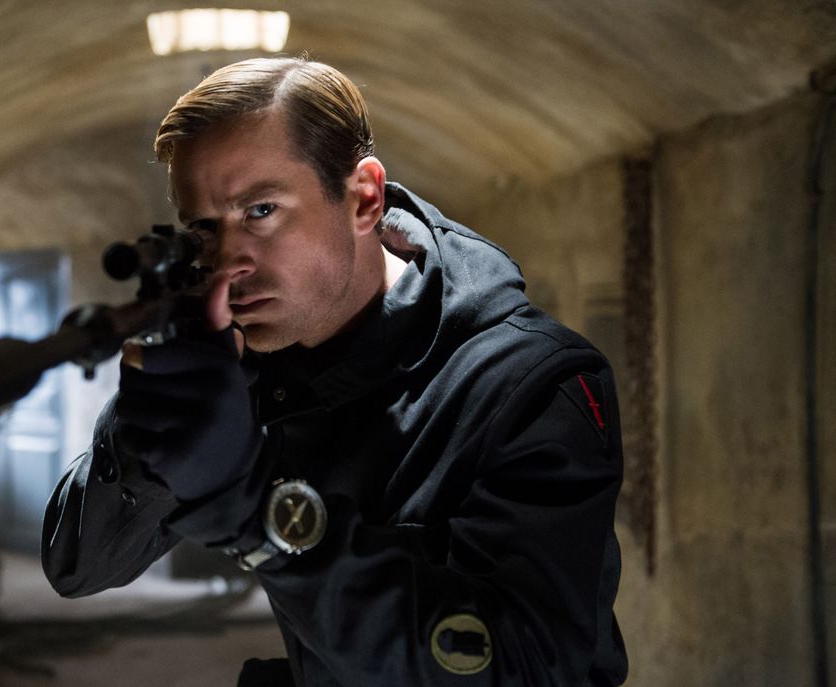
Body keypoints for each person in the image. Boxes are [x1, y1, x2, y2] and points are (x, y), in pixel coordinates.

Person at [42, 57, 628, 686]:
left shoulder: (531, 383)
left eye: (261, 211)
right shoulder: (254, 357)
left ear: (364, 198)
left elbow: (516, 669)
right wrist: (147, 421)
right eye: (203, 231)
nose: (228, 261)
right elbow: (79, 565)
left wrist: (258, 511)